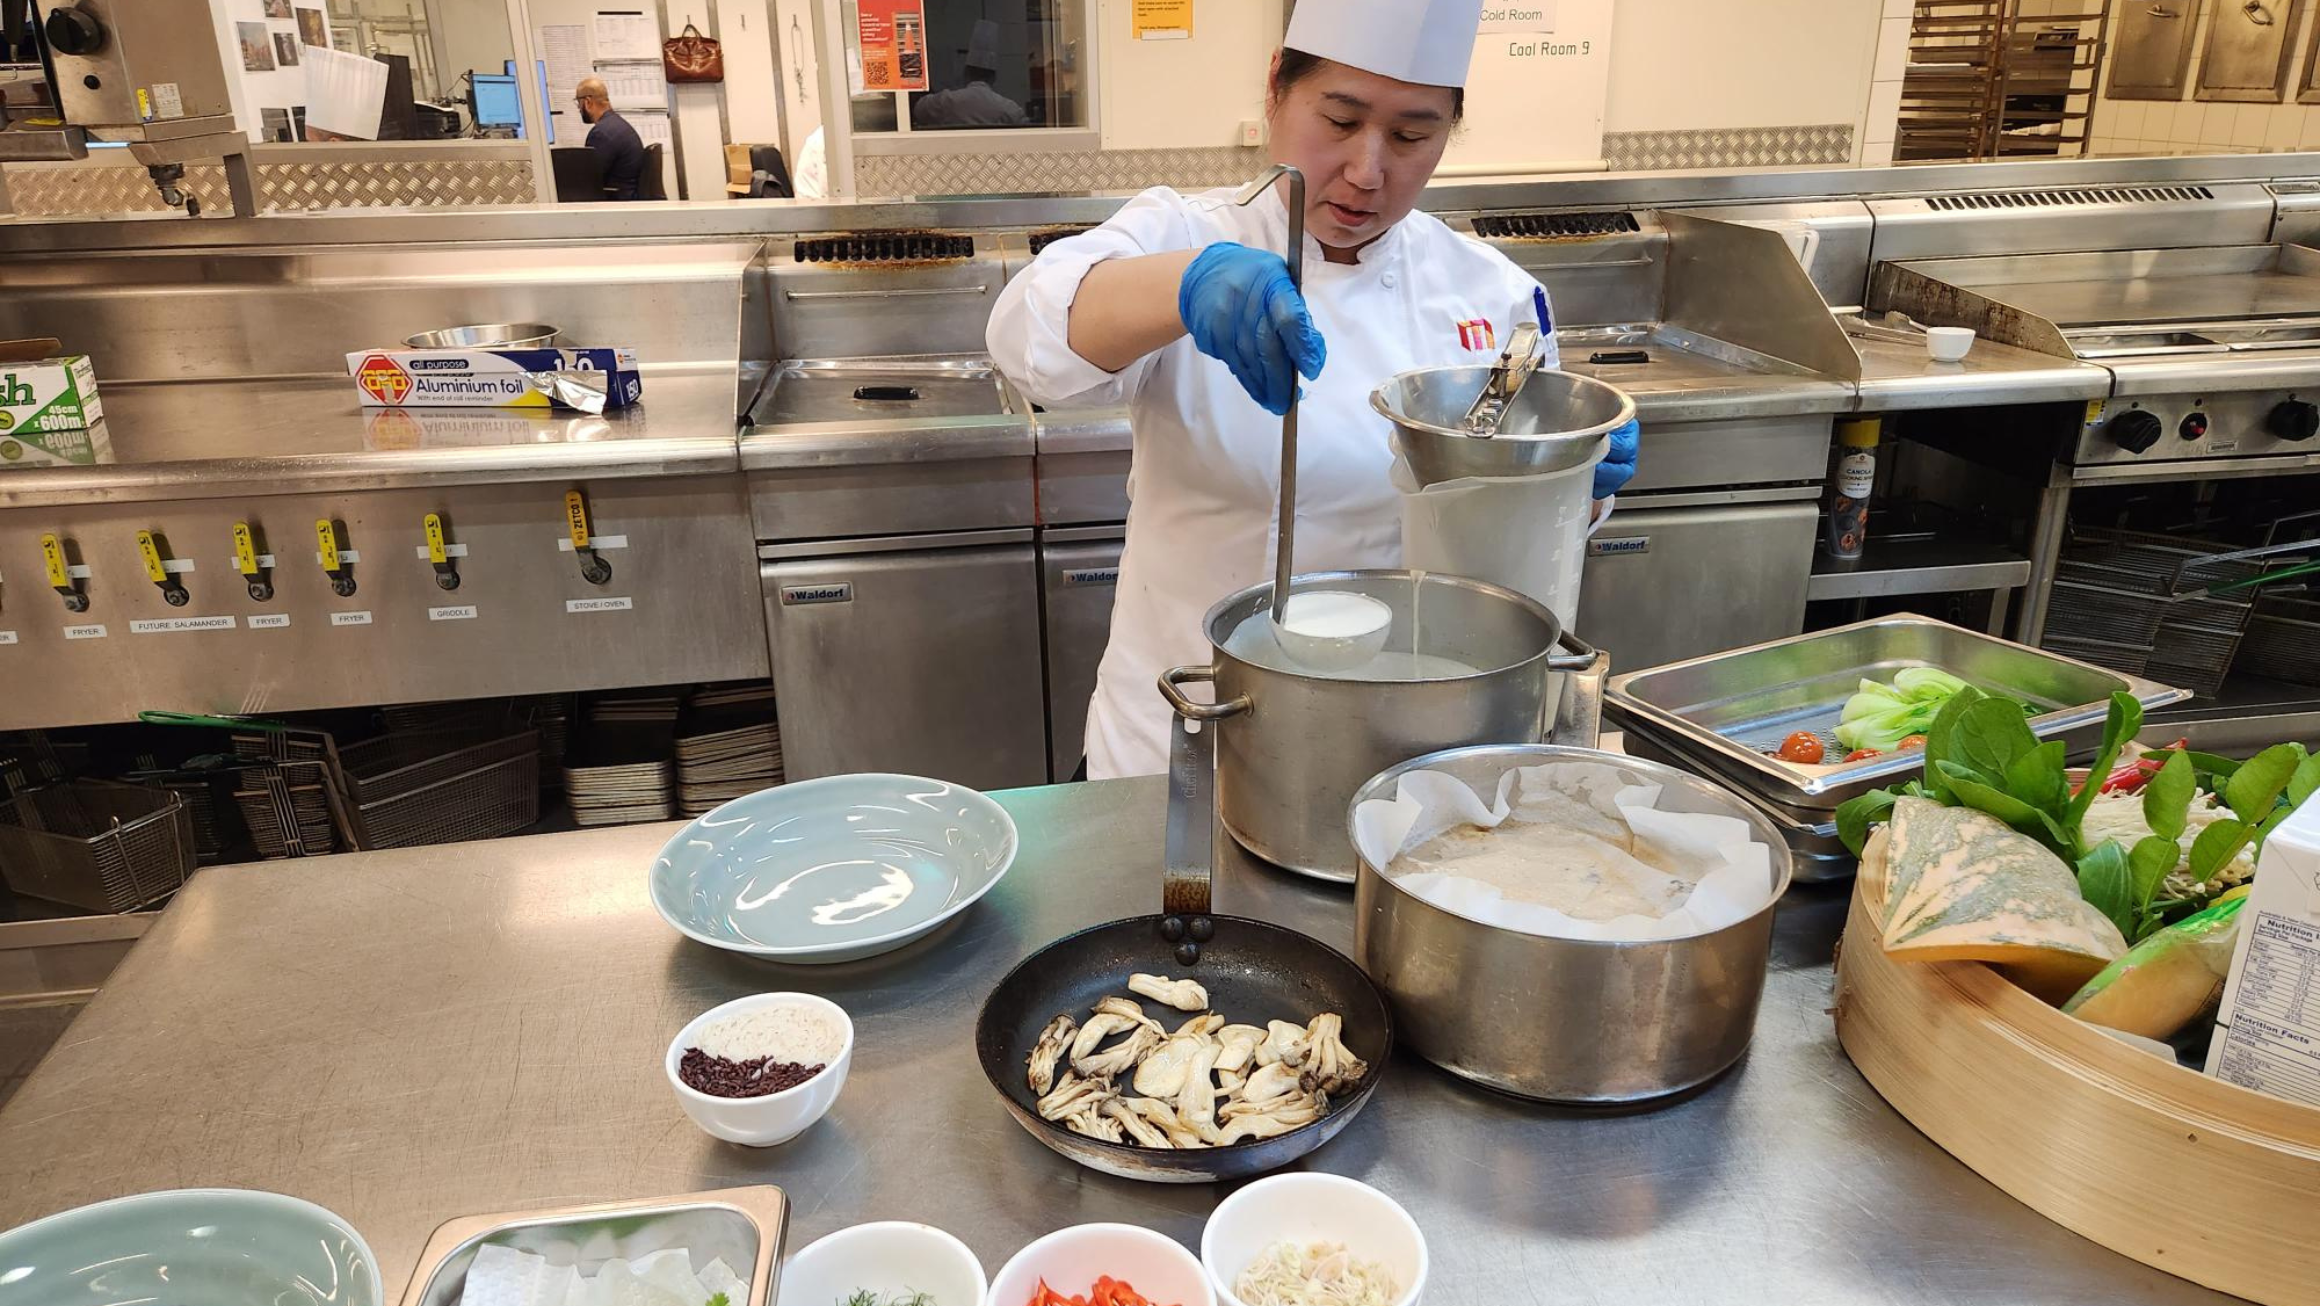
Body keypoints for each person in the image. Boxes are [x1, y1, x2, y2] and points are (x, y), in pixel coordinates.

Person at [988, 0, 1641, 781]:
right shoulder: (1182, 233)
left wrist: (1572, 484)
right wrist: (1185, 288)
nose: (1368, 172)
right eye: (1339, 120)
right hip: (1183, 745)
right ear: (1276, 89)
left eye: (1411, 136)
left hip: (1404, 755)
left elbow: (1518, 551)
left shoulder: (1490, 294)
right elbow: (1029, 342)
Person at [911, 20, 1028, 129]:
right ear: (993, 78)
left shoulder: (946, 101)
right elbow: (1025, 129)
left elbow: (919, 109)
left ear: (966, 73)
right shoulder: (1009, 108)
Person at [575, 77, 646, 200]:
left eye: (578, 103)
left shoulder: (601, 134)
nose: (578, 108)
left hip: (617, 205)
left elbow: (589, 180)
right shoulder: (618, 125)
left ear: (587, 102)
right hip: (630, 199)